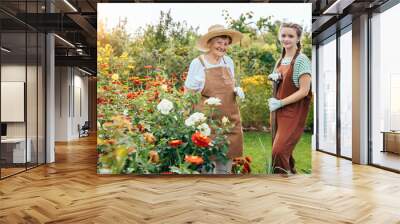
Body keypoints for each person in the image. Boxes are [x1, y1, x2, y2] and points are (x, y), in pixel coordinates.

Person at [184, 24, 245, 174]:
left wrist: (237, 90)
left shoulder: (228, 61)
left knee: (225, 169)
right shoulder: (198, 63)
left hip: (229, 121)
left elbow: (230, 84)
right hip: (207, 122)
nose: (223, 47)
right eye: (219, 42)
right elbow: (188, 93)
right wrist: (186, 116)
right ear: (210, 43)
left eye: (226, 44)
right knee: (206, 168)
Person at [267, 22, 312, 174]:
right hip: (278, 111)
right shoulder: (280, 60)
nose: (286, 39)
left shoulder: (301, 60)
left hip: (293, 112)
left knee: (278, 152)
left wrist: (280, 103)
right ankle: (291, 177)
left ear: (298, 39)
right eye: (283, 35)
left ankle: (285, 183)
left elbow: (304, 91)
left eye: (291, 36)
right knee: (284, 151)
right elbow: (282, 84)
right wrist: (276, 78)